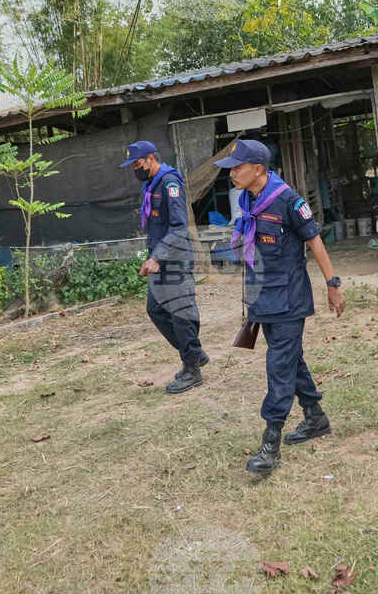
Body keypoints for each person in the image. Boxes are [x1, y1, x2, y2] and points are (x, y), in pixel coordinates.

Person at [214, 139, 345, 475]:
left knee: (278, 366)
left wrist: (333, 285)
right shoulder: (248, 199)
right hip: (262, 296)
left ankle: (270, 442)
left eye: (237, 167)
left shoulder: (288, 200)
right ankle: (315, 417)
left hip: (288, 299)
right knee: (290, 359)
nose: (231, 174)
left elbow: (315, 240)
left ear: (258, 168)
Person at [119, 141, 209, 394]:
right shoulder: (151, 183)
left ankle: (192, 369)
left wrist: (157, 257)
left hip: (174, 258)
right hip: (159, 258)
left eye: (137, 164)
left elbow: (180, 227)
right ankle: (193, 354)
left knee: (180, 313)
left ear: (150, 159)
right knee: (156, 309)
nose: (135, 169)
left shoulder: (170, 183)